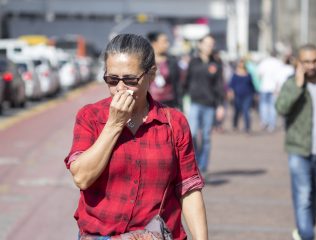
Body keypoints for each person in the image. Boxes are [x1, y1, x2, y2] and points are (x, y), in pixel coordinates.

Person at [64, 34, 208, 240]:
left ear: (151, 75)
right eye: (112, 80)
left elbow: (189, 188)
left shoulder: (173, 122)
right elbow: (82, 177)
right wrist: (114, 124)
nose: (120, 88)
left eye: (130, 80)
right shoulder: (90, 117)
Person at [275, 43, 316, 240]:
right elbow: (281, 108)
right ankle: (306, 235)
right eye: (306, 61)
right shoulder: (292, 83)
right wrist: (297, 86)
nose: (311, 65)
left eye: (315, 61)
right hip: (299, 150)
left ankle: (302, 230)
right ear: (299, 63)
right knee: (303, 195)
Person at [184, 34, 225, 175]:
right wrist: (183, 99)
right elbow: (186, 81)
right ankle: (194, 164)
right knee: (193, 134)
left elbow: (220, 85)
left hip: (210, 104)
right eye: (206, 43)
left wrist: (220, 105)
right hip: (195, 103)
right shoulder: (193, 62)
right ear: (200, 45)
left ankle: (203, 167)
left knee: (206, 136)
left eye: (211, 44)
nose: (209, 47)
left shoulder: (216, 63)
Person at [147, 31, 182, 109]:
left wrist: (179, 105)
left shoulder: (172, 61)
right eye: (164, 42)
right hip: (151, 103)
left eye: (167, 41)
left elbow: (177, 84)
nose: (167, 45)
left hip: (169, 103)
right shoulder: (146, 61)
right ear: (154, 43)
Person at [257, 51, 283, 132]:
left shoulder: (264, 62)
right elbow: (281, 77)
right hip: (274, 88)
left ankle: (265, 121)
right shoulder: (279, 63)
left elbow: (259, 74)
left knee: (263, 105)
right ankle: (272, 124)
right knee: (272, 106)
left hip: (264, 87)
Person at [228, 58, 255, 133]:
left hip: (248, 95)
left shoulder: (248, 74)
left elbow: (252, 85)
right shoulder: (235, 74)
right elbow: (231, 85)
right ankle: (235, 125)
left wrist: (255, 93)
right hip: (237, 95)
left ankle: (247, 127)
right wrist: (231, 93)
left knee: (246, 111)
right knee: (237, 111)